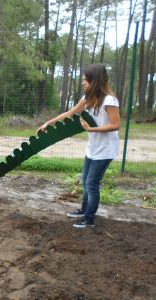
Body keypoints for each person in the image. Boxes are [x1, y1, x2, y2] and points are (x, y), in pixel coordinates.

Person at [38, 64, 120, 228]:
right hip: (93, 148)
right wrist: (49, 122)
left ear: (95, 81)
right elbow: (70, 113)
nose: (82, 83)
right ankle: (84, 210)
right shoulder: (87, 99)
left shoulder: (109, 100)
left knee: (92, 184)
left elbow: (115, 125)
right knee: (85, 181)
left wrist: (91, 129)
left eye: (85, 80)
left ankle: (89, 219)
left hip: (105, 150)